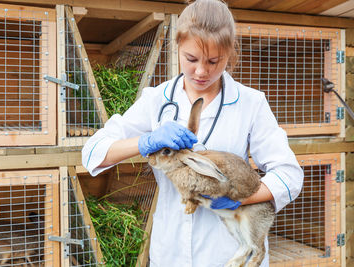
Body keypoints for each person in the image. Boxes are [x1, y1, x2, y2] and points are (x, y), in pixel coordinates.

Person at [82, 0, 304, 266]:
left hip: (227, 249)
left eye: (213, 61)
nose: (201, 71)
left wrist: (237, 197)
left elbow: (289, 175)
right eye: (191, 59)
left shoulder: (250, 103)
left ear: (229, 53)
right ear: (177, 47)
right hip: (171, 251)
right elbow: (93, 153)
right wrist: (145, 141)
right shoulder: (156, 100)